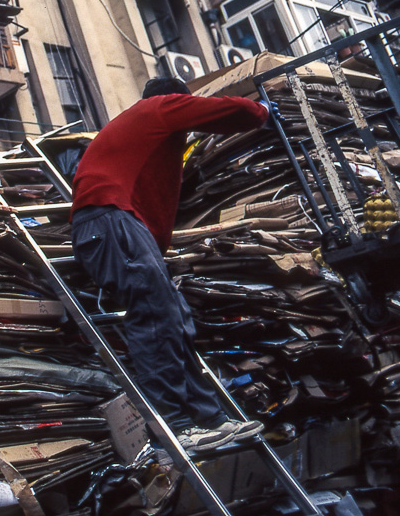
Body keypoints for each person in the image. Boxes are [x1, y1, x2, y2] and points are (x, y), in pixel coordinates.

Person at [70, 76, 270, 453]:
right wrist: (264, 109)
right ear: (176, 100)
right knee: (155, 319)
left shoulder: (143, 132)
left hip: (115, 225)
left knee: (174, 320)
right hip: (110, 220)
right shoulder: (158, 108)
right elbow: (236, 111)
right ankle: (176, 426)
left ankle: (210, 419)